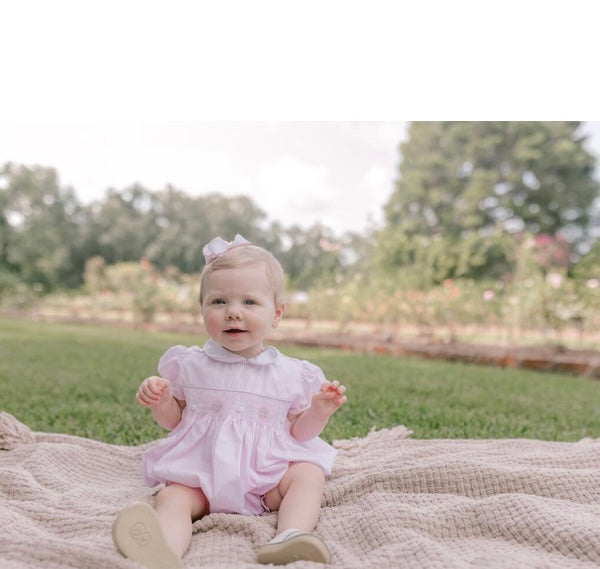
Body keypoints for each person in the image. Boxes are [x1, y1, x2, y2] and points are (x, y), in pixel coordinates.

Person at [112, 234, 347, 568]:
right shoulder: (190, 365)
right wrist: (160, 400)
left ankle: (290, 536)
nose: (233, 313)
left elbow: (299, 433)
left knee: (308, 474)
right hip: (201, 475)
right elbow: (175, 420)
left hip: (266, 478)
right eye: (219, 302)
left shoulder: (292, 374)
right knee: (172, 497)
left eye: (249, 303)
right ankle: (163, 551)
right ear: (203, 309)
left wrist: (318, 411)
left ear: (276, 314)